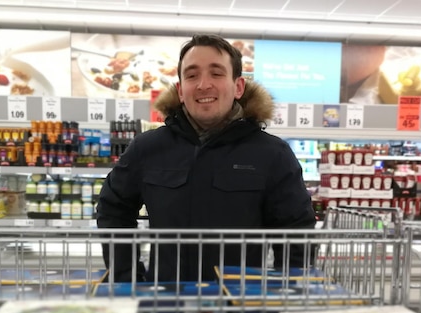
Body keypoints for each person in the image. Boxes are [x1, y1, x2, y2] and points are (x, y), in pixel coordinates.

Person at [97, 34, 316, 282]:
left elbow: (297, 232)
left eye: (216, 73)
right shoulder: (147, 148)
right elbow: (113, 208)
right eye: (191, 75)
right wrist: (127, 277)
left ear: (238, 87)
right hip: (166, 303)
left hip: (240, 307)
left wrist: (287, 291)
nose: (203, 84)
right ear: (180, 91)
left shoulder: (272, 154)